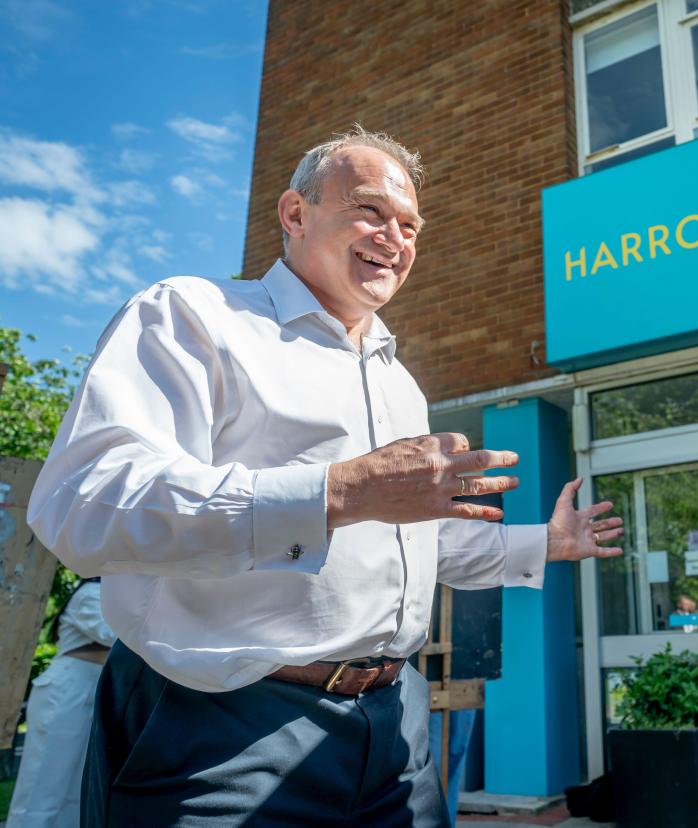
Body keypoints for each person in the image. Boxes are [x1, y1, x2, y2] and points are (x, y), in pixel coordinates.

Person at [27, 126, 624, 827]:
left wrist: (544, 544)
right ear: (294, 213)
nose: (394, 238)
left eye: (410, 226)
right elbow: (85, 503)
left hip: (397, 728)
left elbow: (415, 550)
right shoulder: (193, 317)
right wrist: (338, 491)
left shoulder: (400, 382)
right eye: (371, 211)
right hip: (225, 727)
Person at [7, 578, 115, 828]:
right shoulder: (91, 592)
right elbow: (112, 634)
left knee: (75, 788)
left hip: (92, 688)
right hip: (66, 690)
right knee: (43, 780)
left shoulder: (112, 598)